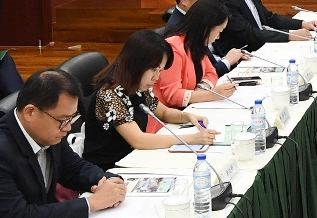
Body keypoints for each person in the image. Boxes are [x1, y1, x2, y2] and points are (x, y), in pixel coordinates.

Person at [0, 69, 125, 218]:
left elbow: (74, 169)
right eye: (63, 120)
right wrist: (92, 203)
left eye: (71, 119)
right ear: (30, 112)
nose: (67, 128)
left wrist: (109, 182)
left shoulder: (47, 131)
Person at [81, 30, 217, 171]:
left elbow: (163, 112)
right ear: (136, 64)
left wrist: (188, 116)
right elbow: (139, 140)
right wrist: (191, 139)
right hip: (108, 170)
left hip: (134, 159)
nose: (156, 77)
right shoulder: (109, 94)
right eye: (154, 70)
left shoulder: (137, 86)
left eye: (160, 70)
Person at [155, 0, 245, 109]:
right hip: (169, 115)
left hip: (190, 108)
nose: (218, 37)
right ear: (206, 27)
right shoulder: (174, 47)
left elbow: (211, 72)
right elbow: (172, 95)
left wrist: (200, 89)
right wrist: (212, 94)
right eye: (219, 31)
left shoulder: (197, 43)